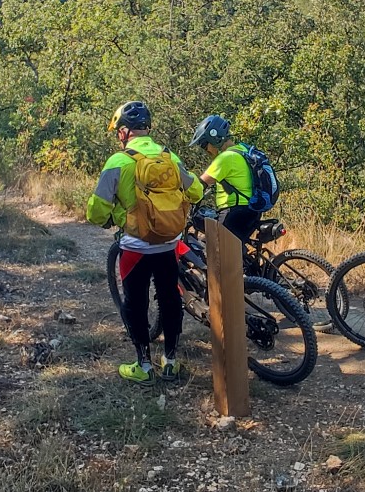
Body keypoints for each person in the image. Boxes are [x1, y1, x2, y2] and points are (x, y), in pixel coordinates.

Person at [87, 101, 204, 384]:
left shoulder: (118, 161)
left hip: (135, 247)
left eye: (118, 131)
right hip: (168, 243)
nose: (118, 136)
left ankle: (143, 365)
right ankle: (171, 362)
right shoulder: (170, 157)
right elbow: (197, 191)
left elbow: (96, 210)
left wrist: (110, 217)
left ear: (126, 131)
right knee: (170, 298)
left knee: (135, 303)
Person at [189, 114, 261, 243]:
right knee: (232, 247)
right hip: (250, 210)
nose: (205, 149)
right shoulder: (242, 150)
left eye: (204, 145)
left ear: (214, 138)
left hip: (235, 212)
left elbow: (199, 185)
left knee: (211, 247)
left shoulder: (225, 158)